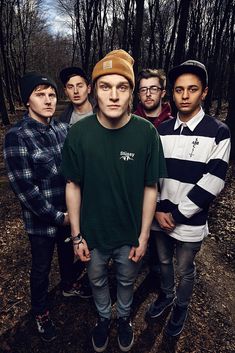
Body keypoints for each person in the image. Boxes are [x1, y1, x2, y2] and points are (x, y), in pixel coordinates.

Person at [60, 49, 167, 352]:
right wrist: (76, 234)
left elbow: (150, 188)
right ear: (94, 91)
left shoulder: (146, 133)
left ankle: (123, 317)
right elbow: (73, 185)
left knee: (124, 280)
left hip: (129, 234)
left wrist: (144, 235)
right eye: (106, 87)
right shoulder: (79, 134)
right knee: (96, 280)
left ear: (132, 91)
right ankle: (104, 317)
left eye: (122, 87)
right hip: (92, 235)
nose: (114, 95)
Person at [146, 60, 231, 337]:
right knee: (162, 262)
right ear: (172, 92)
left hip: (189, 221)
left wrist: (178, 215)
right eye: (179, 89)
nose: (184, 95)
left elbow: (213, 180)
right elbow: (151, 175)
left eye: (192, 89)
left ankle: (181, 305)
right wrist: (158, 209)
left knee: (185, 268)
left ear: (204, 92)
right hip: (159, 217)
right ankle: (167, 296)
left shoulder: (218, 132)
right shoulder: (160, 131)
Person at [3, 72, 79, 342]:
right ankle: (40, 312)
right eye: (40, 94)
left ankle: (69, 286)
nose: (48, 100)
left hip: (70, 215)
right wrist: (60, 217)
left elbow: (75, 171)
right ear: (27, 101)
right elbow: (25, 190)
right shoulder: (17, 136)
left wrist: (74, 215)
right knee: (41, 268)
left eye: (51, 94)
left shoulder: (62, 129)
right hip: (43, 222)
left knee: (68, 255)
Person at [134, 68, 171, 287]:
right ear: (138, 94)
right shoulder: (128, 123)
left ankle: (157, 283)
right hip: (133, 201)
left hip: (164, 202)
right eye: (143, 90)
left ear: (163, 92)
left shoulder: (174, 125)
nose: (148, 94)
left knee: (161, 255)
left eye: (153, 89)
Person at [58, 66, 93, 298]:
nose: (76, 91)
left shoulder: (104, 112)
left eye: (80, 85)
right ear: (66, 92)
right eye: (71, 87)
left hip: (99, 186)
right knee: (67, 235)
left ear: (89, 88)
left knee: (95, 233)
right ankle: (68, 281)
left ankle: (93, 278)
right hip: (73, 185)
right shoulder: (62, 121)